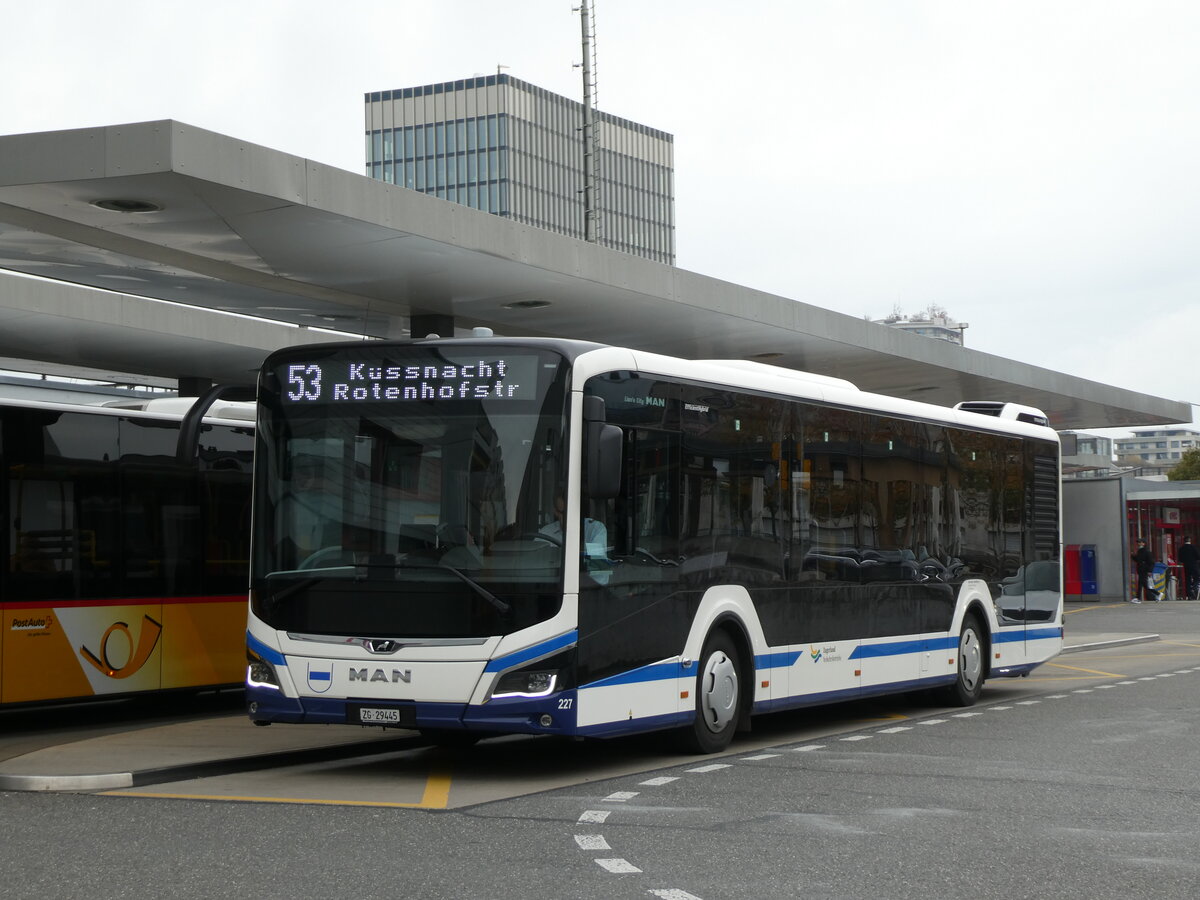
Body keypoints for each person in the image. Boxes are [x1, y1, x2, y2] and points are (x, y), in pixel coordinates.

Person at [1132, 539, 1156, 603]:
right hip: (1141, 570)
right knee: (1143, 584)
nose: (1139, 544)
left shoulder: (1146, 551)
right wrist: (1133, 556)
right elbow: (1138, 560)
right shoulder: (1139, 551)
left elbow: (1151, 562)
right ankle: (1156, 594)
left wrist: (1150, 570)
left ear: (1144, 543)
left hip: (1144, 570)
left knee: (1141, 584)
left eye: (1140, 542)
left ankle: (1138, 598)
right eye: (1138, 542)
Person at [1180, 536, 1200, 601]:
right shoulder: (1194, 547)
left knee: (1187, 580)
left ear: (1184, 541)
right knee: (1197, 578)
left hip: (1186, 566)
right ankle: (1194, 588)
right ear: (1190, 540)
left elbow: (1180, 559)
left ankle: (1189, 595)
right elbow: (1198, 556)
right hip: (1194, 566)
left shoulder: (1182, 548)